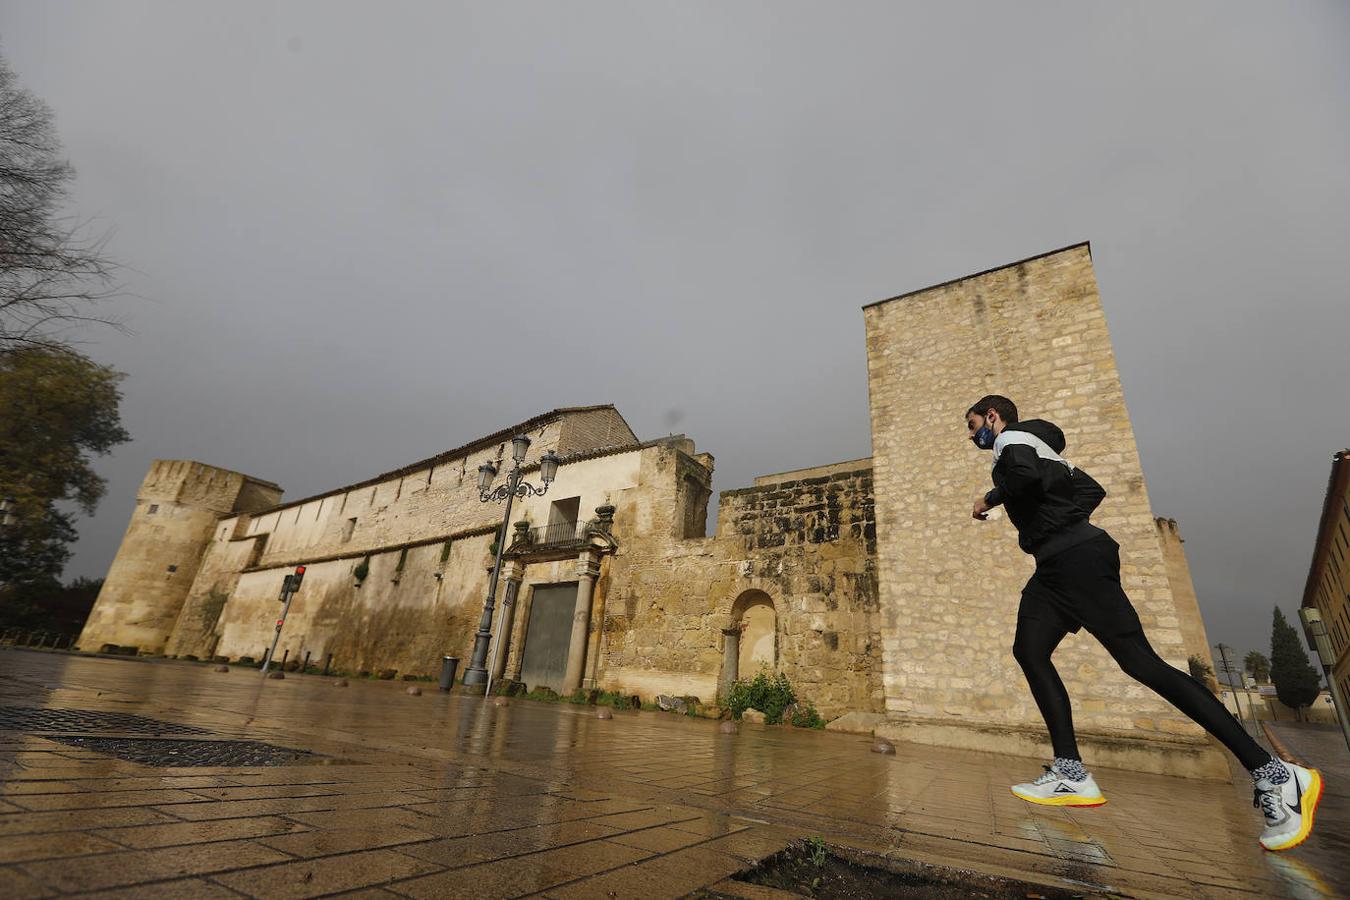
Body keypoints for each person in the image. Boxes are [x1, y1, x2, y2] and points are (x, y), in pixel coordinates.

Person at [965, 394, 1321, 852]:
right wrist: (1053, 519)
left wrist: (994, 497)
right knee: (1029, 651)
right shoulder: (1044, 449)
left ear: (992, 417)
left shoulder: (1009, 440)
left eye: (973, 423)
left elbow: (1025, 477)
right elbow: (1091, 491)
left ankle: (1276, 775)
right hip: (1056, 568)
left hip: (1074, 562)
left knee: (1142, 664)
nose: (972, 433)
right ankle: (1071, 774)